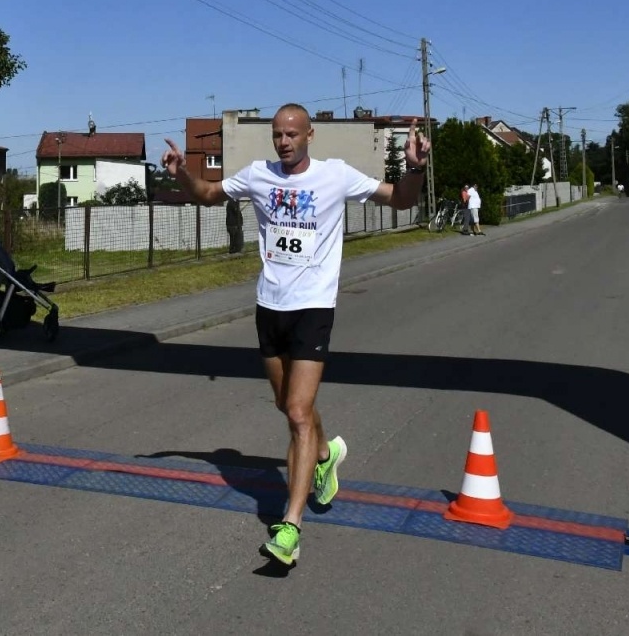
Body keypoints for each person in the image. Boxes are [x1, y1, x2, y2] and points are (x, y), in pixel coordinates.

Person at [161, 103, 431, 566]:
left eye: (291, 134)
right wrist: (182, 174)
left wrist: (415, 168)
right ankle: (325, 456)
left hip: (313, 310)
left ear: (309, 135)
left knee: (300, 413)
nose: (283, 142)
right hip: (270, 308)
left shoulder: (336, 176)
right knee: (288, 407)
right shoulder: (258, 175)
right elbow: (206, 194)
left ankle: (290, 525)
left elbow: (402, 200)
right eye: (276, 135)